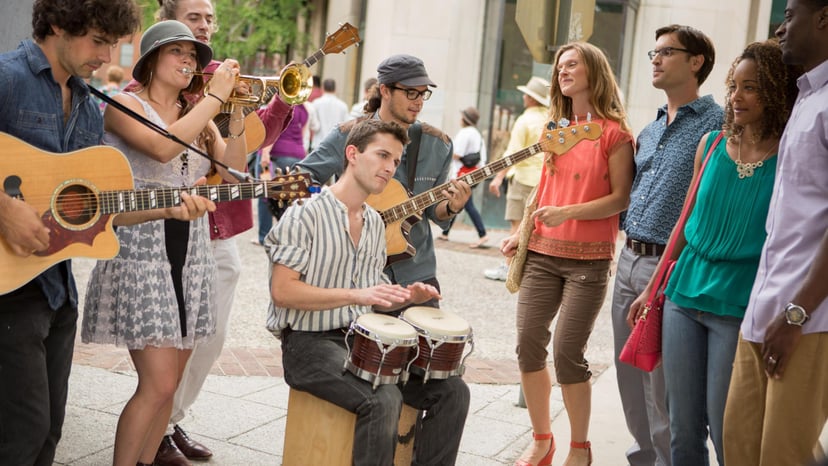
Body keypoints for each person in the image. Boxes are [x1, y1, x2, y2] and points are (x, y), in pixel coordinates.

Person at [81, 20, 247, 466]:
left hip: (191, 253)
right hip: (141, 250)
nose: (189, 62)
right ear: (152, 59)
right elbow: (160, 148)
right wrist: (212, 100)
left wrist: (234, 116)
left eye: (194, 57)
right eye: (178, 52)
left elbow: (233, 172)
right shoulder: (123, 103)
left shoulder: (201, 114)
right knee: (155, 384)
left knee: (170, 388)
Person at [628, 39, 799, 466]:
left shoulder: (791, 156)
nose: (737, 97)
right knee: (682, 430)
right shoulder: (710, 145)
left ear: (776, 92)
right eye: (734, 86)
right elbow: (684, 223)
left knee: (728, 429)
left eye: (752, 88)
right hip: (683, 296)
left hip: (738, 304)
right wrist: (652, 289)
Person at [294, 53, 472, 464]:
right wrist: (348, 220)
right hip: (360, 281)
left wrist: (452, 206)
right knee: (378, 387)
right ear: (385, 91)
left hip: (416, 279)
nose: (418, 101)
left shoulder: (439, 144)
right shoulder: (349, 134)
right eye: (410, 92)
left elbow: (435, 214)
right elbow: (303, 179)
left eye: (423, 93)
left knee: (451, 388)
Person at [140, 1, 294, 463]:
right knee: (171, 340)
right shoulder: (159, 82)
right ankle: (156, 428)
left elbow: (238, 155)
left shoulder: (217, 76)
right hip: (165, 226)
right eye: (194, 18)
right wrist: (215, 96)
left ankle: (172, 420)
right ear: (166, 24)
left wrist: (272, 99)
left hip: (221, 221)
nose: (205, 26)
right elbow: (161, 146)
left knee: (212, 335)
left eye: (209, 19)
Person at [0, 2, 141, 465]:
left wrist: (173, 209)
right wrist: (5, 209)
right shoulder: (6, 78)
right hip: (8, 292)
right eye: (98, 41)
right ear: (58, 23)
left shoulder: (88, 103)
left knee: (49, 433)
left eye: (112, 44)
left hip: (57, 289)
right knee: (22, 431)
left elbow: (96, 209)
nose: (105, 55)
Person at [268, 119, 447, 466]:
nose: (390, 168)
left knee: (450, 391)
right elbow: (283, 292)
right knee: (383, 398)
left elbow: (372, 288)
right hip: (308, 344)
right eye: (382, 155)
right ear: (352, 154)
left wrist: (408, 297)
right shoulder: (304, 214)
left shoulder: (376, 223)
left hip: (361, 343)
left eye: (395, 161)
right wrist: (357, 295)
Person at [499, 42, 635, 466]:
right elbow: (544, 188)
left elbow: (621, 199)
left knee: (566, 353)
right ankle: (542, 440)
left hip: (589, 261)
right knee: (526, 345)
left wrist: (568, 213)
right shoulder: (554, 128)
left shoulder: (615, 133)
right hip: (540, 252)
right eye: (560, 66)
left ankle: (580, 447)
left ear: (595, 70)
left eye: (572, 63)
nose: (563, 70)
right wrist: (523, 230)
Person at [610, 24, 722, 466]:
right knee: (627, 372)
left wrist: (662, 274)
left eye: (666, 52)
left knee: (662, 383)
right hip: (628, 258)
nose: (655, 60)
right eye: (652, 53)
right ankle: (645, 455)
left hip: (669, 265)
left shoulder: (718, 125)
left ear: (696, 62)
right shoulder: (651, 128)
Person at [722, 1, 828, 465]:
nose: (781, 28)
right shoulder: (807, 95)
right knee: (739, 447)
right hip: (765, 310)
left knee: (782, 457)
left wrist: (798, 313)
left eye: (790, 15)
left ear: (824, 17)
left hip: (807, 319)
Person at [484, 76, 550, 281]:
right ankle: (527, 270)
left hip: (522, 179)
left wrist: (498, 178)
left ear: (531, 98)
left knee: (516, 227)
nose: (523, 97)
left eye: (526, 94)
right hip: (543, 181)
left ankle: (509, 268)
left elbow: (513, 153)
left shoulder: (525, 120)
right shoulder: (549, 118)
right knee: (535, 228)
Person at [252, 102, 312, 245]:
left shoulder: (279, 105)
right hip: (297, 155)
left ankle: (264, 237)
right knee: (290, 198)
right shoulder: (305, 110)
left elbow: (274, 130)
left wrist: (265, 152)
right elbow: (302, 134)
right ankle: (287, 237)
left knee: (266, 194)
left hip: (276, 155)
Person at [439, 106, 489, 248]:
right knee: (458, 199)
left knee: (466, 203)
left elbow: (456, 153)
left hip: (464, 173)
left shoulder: (465, 132)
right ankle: (445, 233)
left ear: (465, 119)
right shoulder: (477, 134)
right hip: (474, 173)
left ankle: (483, 234)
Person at [309, 78, 349, 150]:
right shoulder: (343, 106)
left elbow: (315, 126)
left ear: (322, 88)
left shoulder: (316, 103)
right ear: (335, 89)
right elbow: (346, 126)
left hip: (318, 143)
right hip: (335, 145)